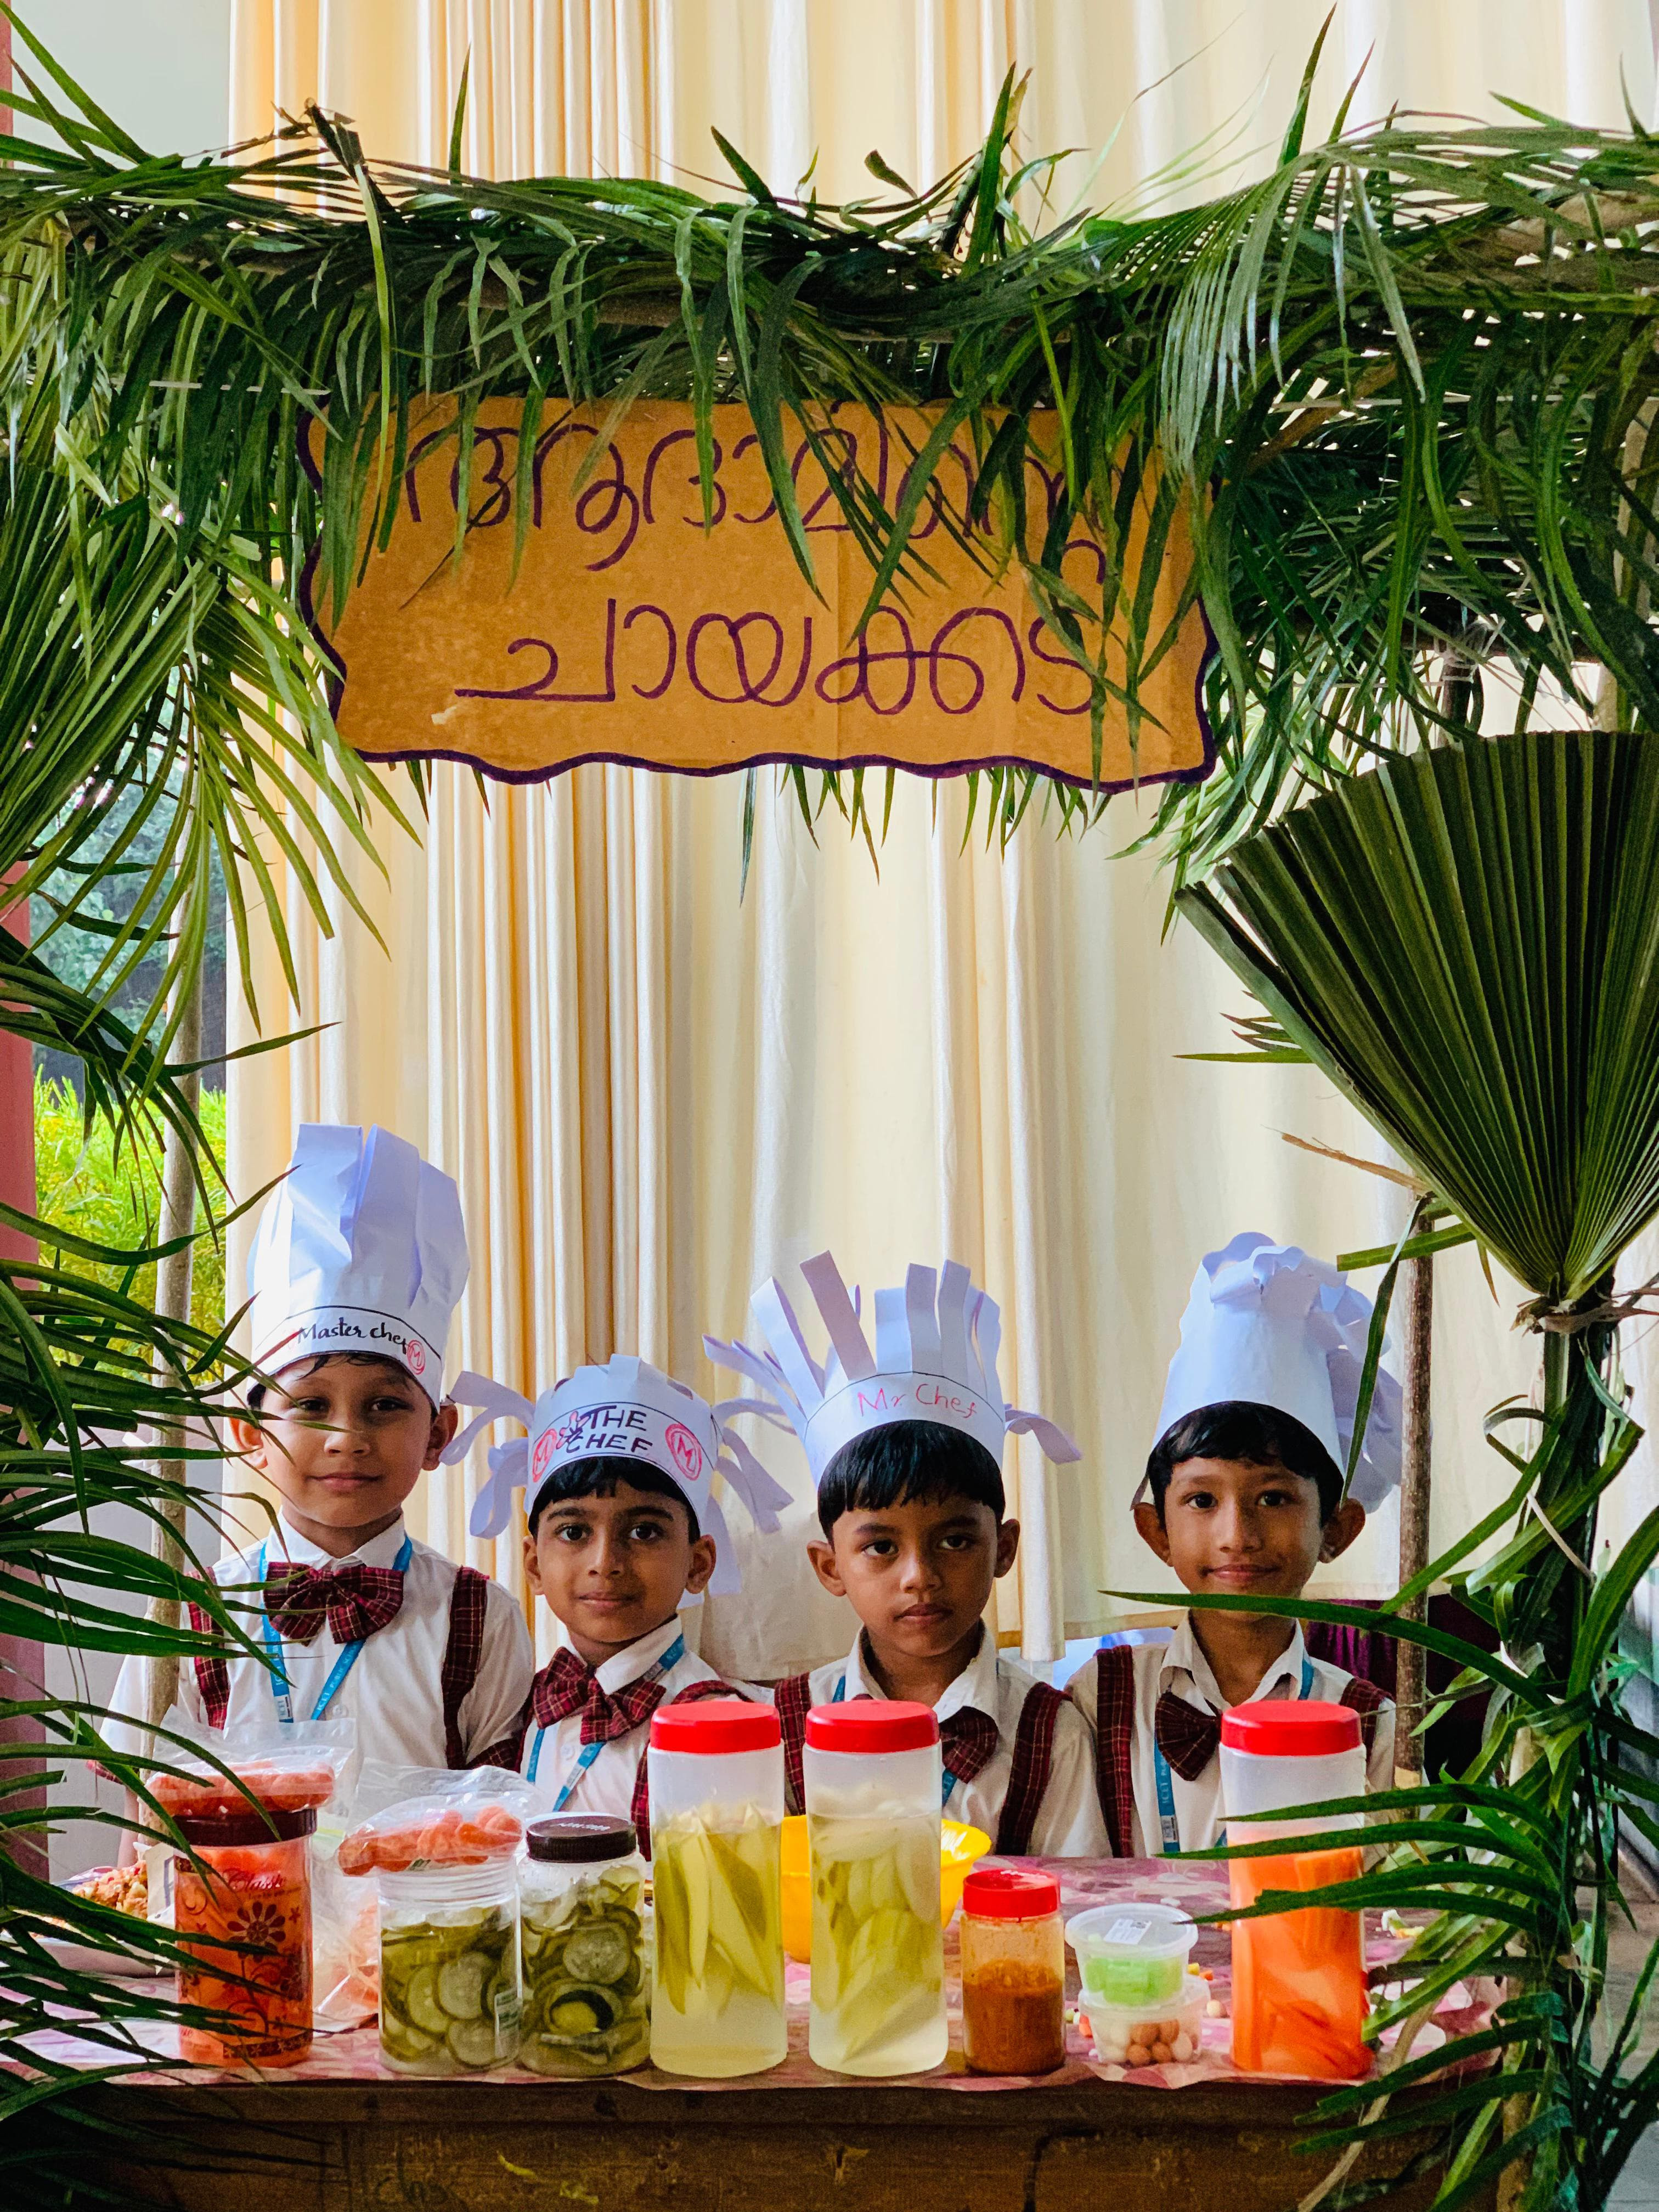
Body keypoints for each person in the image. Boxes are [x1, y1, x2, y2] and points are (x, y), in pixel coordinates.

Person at [105, 1123, 534, 1785]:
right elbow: (146, 1815)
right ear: (250, 1433)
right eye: (310, 1405)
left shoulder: (480, 1618)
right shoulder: (190, 1615)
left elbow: (502, 1815)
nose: (347, 1438)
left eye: (385, 1405)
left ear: (438, 1434)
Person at [707, 1252, 1107, 1857]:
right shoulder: (785, 1727)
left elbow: (1073, 1895)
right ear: (829, 1567)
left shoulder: (1051, 1733)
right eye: (881, 1548)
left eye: (954, 1541)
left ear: (1004, 1549)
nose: (920, 1576)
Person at [1069, 1232, 1400, 1855]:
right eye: (1202, 1500)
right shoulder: (1098, 1699)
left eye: (1274, 1498)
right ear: (1156, 1531)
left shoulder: (1372, 1724)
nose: (1237, 1536)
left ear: (1337, 1529)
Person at [441, 1353, 790, 1843]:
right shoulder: (525, 1701)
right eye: (574, 1531)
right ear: (534, 1565)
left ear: (698, 1564)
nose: (605, 1562)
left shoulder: (716, 1721)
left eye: (645, 1531)